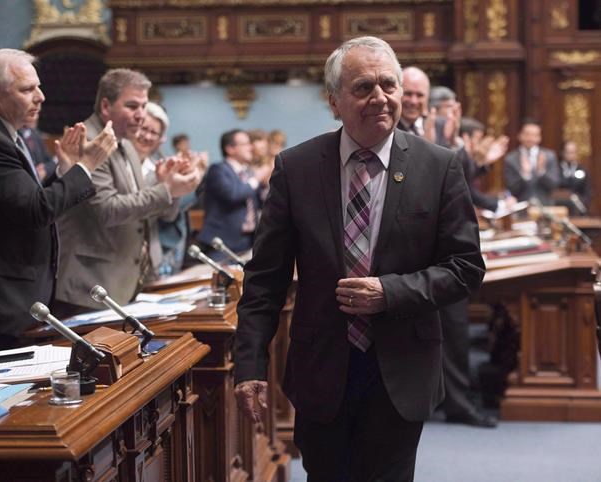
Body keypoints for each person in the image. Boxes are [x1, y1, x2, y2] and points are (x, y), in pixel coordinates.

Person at [234, 36, 485, 481]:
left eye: (389, 85)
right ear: (334, 102)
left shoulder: (439, 166)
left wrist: (390, 292)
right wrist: (250, 364)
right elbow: (265, 278)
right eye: (364, 87)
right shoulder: (297, 167)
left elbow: (465, 268)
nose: (380, 98)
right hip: (322, 367)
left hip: (402, 369)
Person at [0, 49, 116, 352]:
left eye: (38, 87)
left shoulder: (4, 134)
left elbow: (28, 201)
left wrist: (65, 171)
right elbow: (36, 211)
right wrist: (86, 167)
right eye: (27, 89)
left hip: (15, 296)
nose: (40, 97)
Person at [54, 69, 200, 316]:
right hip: (91, 285)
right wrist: (166, 190)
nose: (141, 114)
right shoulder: (88, 141)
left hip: (125, 281)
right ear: (105, 106)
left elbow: (146, 211)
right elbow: (107, 210)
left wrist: (171, 188)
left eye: (143, 106)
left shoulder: (126, 144)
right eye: (132, 106)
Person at [400, 68, 498, 429]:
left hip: (444, 249)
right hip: (403, 251)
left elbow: (461, 177)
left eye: (419, 96)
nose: (413, 101)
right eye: (408, 94)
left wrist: (457, 143)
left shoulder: (441, 129)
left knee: (455, 330)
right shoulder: (384, 129)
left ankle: (457, 402)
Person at [131, 101, 203, 276]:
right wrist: (167, 187)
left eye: (154, 132)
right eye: (143, 129)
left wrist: (178, 186)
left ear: (160, 139)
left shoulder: (158, 165)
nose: (147, 136)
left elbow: (169, 214)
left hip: (152, 255)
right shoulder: (116, 163)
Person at [197, 129, 270, 259]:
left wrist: (266, 185)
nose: (250, 147)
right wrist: (256, 179)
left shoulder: (248, 172)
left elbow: (260, 202)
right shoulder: (218, 170)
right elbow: (232, 194)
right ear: (230, 149)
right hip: (223, 242)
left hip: (248, 240)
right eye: (245, 144)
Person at [504, 119, 559, 204]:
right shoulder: (510, 159)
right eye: (527, 134)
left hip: (545, 205)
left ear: (539, 137)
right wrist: (525, 175)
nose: (530, 138)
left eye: (534, 135)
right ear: (520, 135)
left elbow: (554, 185)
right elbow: (511, 188)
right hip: (520, 205)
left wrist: (541, 171)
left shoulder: (549, 156)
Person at [19, 114, 56, 182]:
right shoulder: (16, 136)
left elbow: (51, 161)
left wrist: (45, 169)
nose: (36, 117)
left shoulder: (35, 133)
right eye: (32, 113)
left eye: (37, 113)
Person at [557, 140, 590, 214]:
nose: (570, 155)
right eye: (568, 152)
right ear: (563, 152)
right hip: (560, 206)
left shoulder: (582, 170)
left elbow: (587, 190)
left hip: (578, 206)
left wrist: (584, 202)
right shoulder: (556, 169)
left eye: (572, 152)